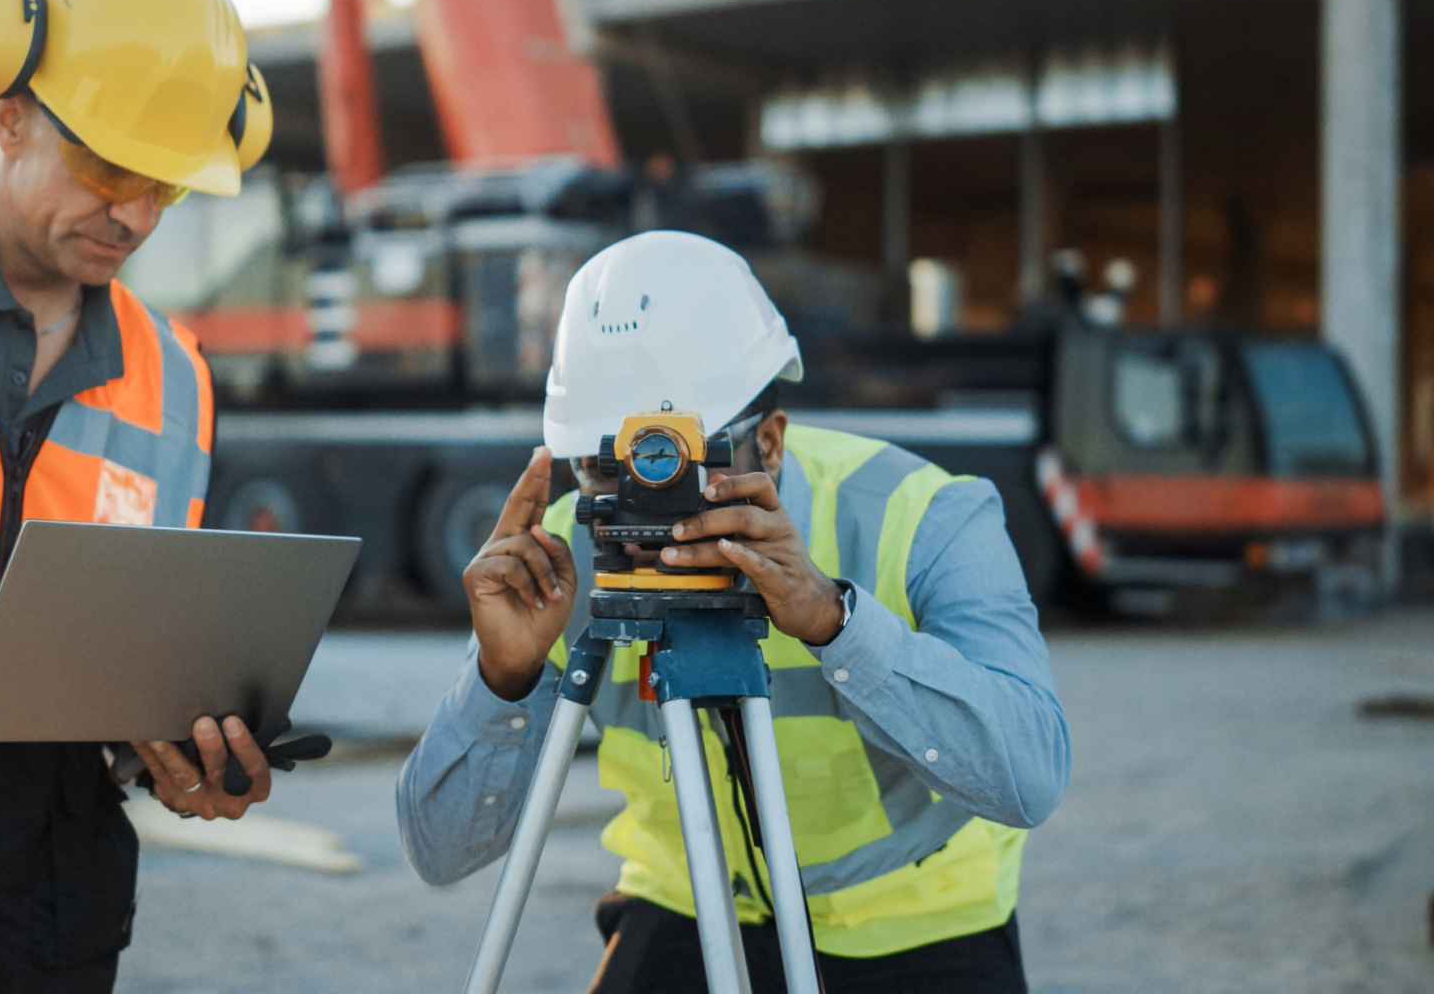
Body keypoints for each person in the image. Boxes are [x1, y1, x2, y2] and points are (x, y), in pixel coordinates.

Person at [399, 231, 1073, 993]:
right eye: (602, 464)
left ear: (772, 444)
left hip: (913, 917)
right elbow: (440, 850)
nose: (640, 500)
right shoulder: (562, 559)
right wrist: (504, 678)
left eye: (673, 460)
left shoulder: (926, 517)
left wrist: (835, 623)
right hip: (689, 899)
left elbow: (1031, 776)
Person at [0, 0, 276, 993]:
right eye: (110, 166)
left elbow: (145, 653)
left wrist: (184, 754)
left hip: (44, 909)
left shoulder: (178, 379)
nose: (138, 216)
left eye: (169, 187)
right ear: (7, 110)